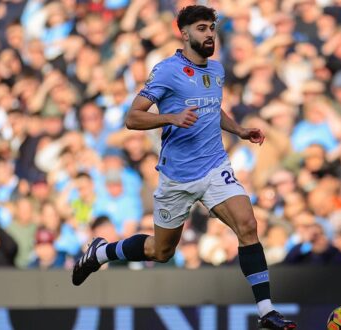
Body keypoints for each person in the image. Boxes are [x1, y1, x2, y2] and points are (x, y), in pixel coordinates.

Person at [71, 6, 296, 329]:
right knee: (160, 251)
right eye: (202, 28)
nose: (209, 34)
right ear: (185, 33)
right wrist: (170, 117)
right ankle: (102, 252)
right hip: (177, 177)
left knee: (247, 225)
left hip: (214, 165)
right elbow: (132, 118)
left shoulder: (216, 70)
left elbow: (212, 109)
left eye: (212, 28)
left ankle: (266, 311)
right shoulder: (166, 71)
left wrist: (239, 130)